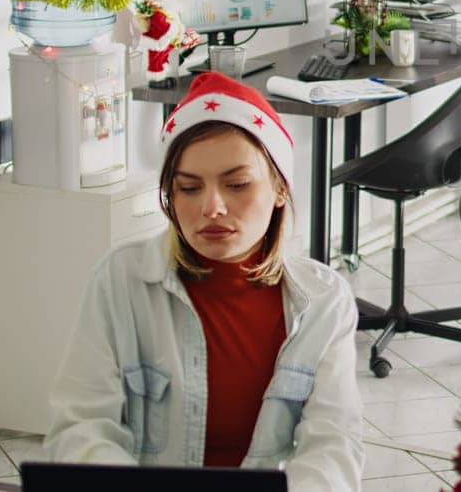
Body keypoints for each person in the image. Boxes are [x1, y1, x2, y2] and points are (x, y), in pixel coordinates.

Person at [45, 73, 362, 487]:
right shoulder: (120, 281)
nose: (211, 207)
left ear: (280, 188)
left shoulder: (323, 300)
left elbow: (333, 446)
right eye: (189, 188)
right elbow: (79, 430)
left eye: (236, 185)